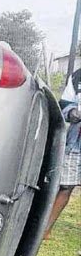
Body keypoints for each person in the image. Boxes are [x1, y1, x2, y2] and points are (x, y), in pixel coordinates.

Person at [44, 67, 81, 240]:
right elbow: (65, 103)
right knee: (65, 186)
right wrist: (73, 113)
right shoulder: (78, 76)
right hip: (76, 142)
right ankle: (45, 228)